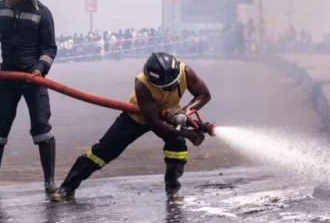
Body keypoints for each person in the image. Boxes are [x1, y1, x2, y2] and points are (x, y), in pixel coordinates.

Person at [51, 52, 211, 203]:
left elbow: (204, 95)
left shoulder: (185, 72)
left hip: (168, 116)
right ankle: (67, 188)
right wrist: (188, 134)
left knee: (177, 147)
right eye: (164, 87)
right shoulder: (142, 84)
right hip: (137, 117)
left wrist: (183, 113)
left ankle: (173, 190)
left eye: (172, 86)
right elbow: (155, 123)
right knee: (102, 152)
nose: (169, 90)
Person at [0, 0, 58, 194]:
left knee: (42, 128)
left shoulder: (43, 13)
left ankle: (49, 182)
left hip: (33, 80)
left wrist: (40, 69)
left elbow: (50, 48)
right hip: (7, 77)